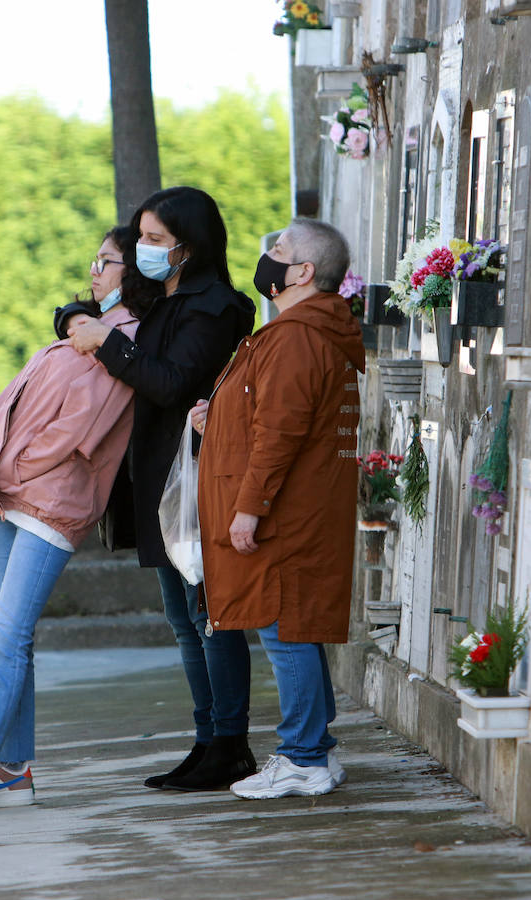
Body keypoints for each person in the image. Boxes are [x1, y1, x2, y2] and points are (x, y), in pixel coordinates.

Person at [0, 226, 140, 819]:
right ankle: (13, 772)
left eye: (107, 261)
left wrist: (8, 467)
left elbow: (82, 430)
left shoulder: (124, 340)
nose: (95, 270)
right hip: (9, 495)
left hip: (51, 502)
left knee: (4, 640)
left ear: (134, 269)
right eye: (95, 260)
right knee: (10, 637)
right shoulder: (85, 331)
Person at [68, 187, 257, 792]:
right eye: (140, 238)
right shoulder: (156, 297)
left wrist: (107, 342)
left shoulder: (215, 306)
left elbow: (173, 383)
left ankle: (230, 743)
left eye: (155, 240)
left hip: (198, 479)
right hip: (154, 481)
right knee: (181, 619)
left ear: (189, 246)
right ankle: (205, 740)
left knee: (212, 616)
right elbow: (81, 306)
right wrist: (79, 322)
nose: (143, 250)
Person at [190, 217, 363, 799]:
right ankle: (316, 751)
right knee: (295, 626)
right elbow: (277, 417)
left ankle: (303, 756)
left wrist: (249, 509)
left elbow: (281, 432)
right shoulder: (310, 332)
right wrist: (218, 421)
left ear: (304, 271)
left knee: (283, 628)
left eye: (280, 249)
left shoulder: (295, 335)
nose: (269, 255)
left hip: (285, 511)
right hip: (301, 505)